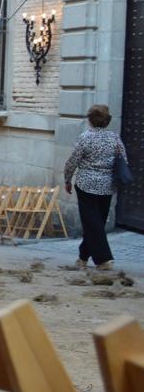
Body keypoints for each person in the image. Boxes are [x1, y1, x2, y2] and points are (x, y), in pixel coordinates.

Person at [64, 104, 129, 270]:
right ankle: (82, 258)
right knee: (95, 222)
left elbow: (72, 162)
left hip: (86, 185)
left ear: (90, 120)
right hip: (107, 186)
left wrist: (67, 179)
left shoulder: (85, 137)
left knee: (93, 223)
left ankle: (104, 260)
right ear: (107, 121)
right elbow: (124, 161)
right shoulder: (114, 138)